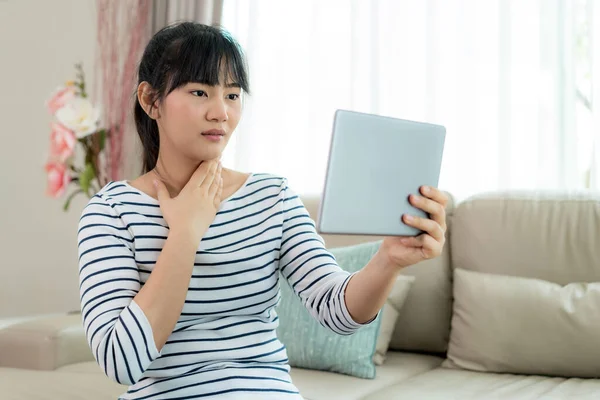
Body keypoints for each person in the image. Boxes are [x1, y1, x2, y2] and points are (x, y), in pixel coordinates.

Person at [77, 22, 448, 400]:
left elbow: (337, 311)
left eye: (233, 95)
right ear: (150, 100)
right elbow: (120, 360)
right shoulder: (111, 213)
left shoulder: (272, 197)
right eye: (200, 92)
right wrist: (185, 233)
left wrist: (389, 260)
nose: (220, 112)